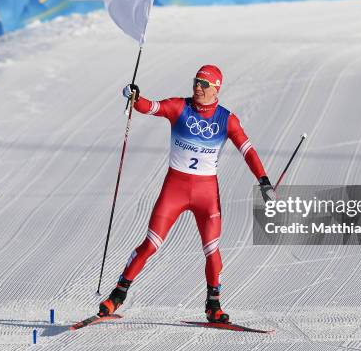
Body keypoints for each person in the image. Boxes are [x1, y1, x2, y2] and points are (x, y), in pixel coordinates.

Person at [99, 65, 276, 323]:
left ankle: (213, 305)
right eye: (196, 81)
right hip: (175, 190)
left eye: (204, 84)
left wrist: (263, 181)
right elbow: (150, 107)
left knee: (212, 250)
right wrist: (135, 96)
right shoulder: (179, 107)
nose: (198, 87)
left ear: (216, 88)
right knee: (151, 244)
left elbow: (247, 150)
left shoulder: (227, 119)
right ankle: (117, 295)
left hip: (206, 195)